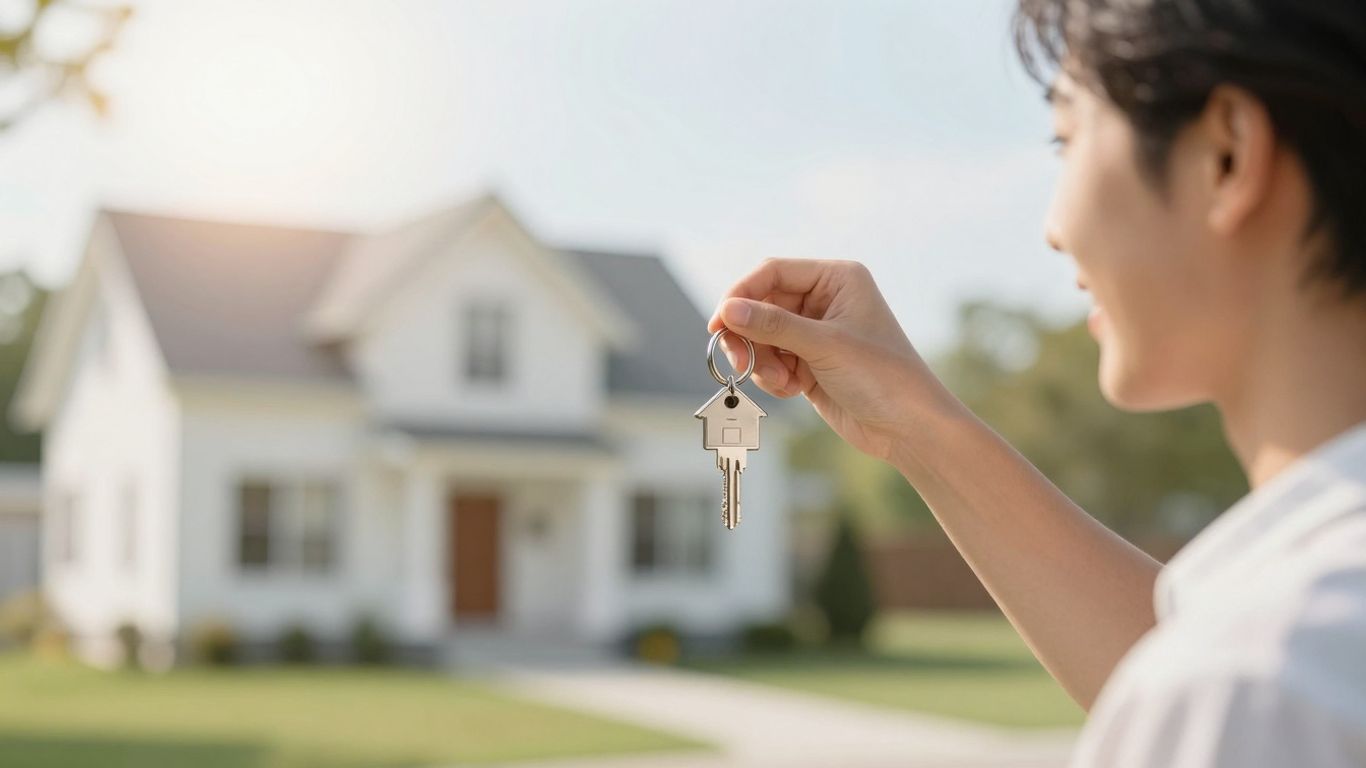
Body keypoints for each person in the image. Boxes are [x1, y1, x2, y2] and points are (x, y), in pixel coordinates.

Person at [707, 1, 1366, 765]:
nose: (1053, 228)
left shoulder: (1253, 684)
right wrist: (917, 430)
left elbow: (1220, 683)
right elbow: (1168, 658)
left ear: (1226, 154)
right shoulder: (1288, 653)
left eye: (1068, 137)